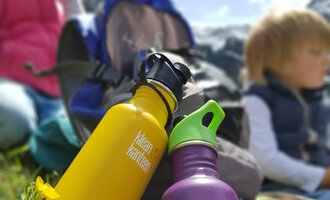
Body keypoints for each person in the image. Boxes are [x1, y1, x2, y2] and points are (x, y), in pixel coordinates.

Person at [243, 8, 330, 199]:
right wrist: (321, 177)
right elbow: (265, 161)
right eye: (316, 52)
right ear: (280, 60)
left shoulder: (314, 99)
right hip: (280, 189)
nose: (326, 60)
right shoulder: (257, 100)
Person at [0, 0, 85, 150]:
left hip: (57, 96)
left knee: (77, 132)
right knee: (11, 115)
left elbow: (81, 30)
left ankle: (43, 143)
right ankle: (37, 137)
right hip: (11, 84)